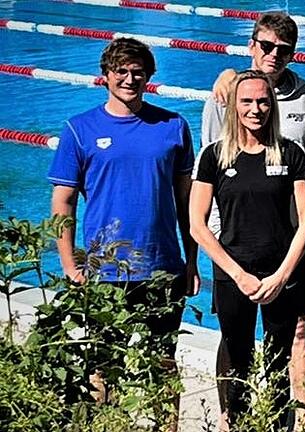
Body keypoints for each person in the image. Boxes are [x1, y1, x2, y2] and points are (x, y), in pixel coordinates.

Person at [48, 37, 199, 429]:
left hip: (163, 265)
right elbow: (62, 202)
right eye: (121, 71)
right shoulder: (79, 130)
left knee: (163, 364)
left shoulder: (173, 127)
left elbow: (188, 205)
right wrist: (69, 264)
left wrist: (192, 261)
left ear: (149, 76)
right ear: (105, 76)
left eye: (138, 72)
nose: (129, 79)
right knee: (102, 367)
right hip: (104, 272)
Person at [201, 12, 305, 429]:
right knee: (234, 345)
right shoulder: (221, 102)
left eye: (284, 49)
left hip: (288, 253)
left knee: (293, 337)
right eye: (267, 45)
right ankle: (230, 418)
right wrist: (230, 265)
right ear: (252, 44)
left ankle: (292, 418)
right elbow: (203, 206)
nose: (274, 55)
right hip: (232, 252)